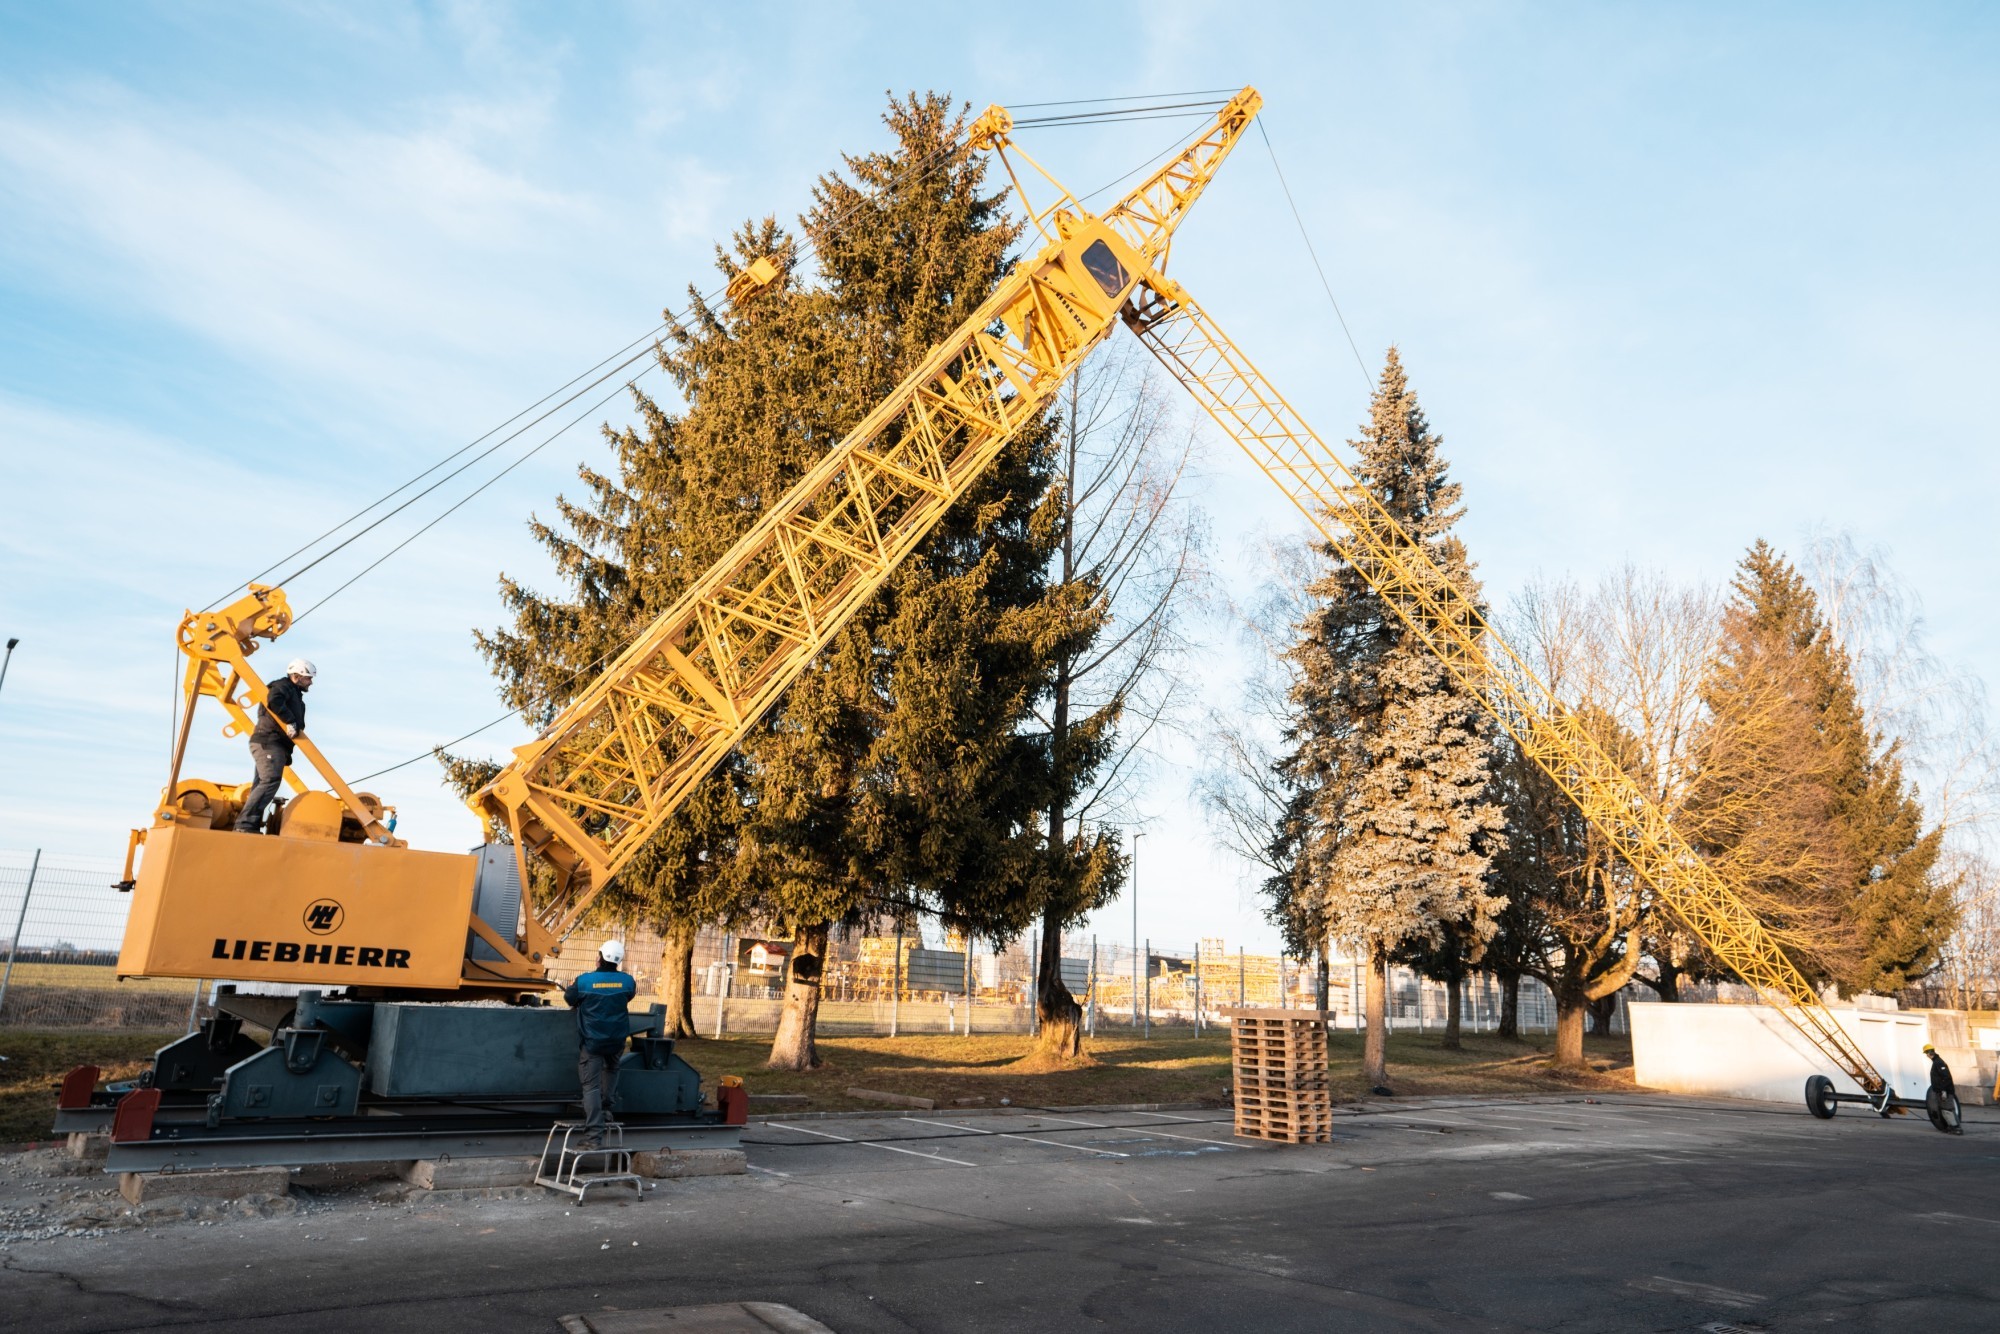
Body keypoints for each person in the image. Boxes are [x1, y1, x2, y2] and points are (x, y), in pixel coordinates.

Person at [563, 940, 635, 1149]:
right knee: (612, 1069)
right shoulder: (628, 981)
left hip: (593, 1042)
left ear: (600, 956)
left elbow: (570, 998)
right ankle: (606, 1110)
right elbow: (627, 996)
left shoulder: (585, 981)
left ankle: (594, 1136)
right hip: (617, 1039)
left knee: (591, 1087)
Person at [234, 658, 315, 833]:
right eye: (308, 677)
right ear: (297, 676)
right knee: (269, 781)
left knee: (262, 783)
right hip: (269, 742)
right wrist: (290, 721)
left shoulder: (295, 695)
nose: (311, 682)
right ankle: (245, 825)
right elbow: (274, 700)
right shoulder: (282, 686)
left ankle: (250, 825)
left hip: (273, 744)